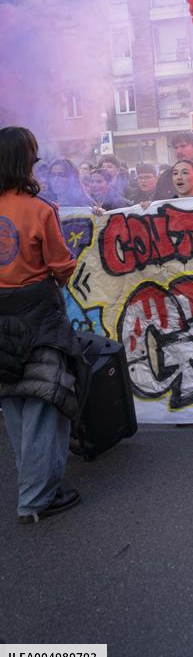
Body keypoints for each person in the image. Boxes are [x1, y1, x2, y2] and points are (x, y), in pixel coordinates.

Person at [0, 126, 82, 523]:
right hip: (37, 319)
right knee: (44, 404)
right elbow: (62, 268)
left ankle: (33, 489)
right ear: (25, 161)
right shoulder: (39, 209)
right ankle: (35, 499)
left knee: (13, 403)